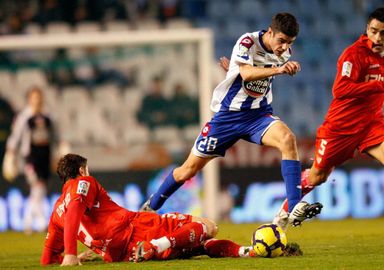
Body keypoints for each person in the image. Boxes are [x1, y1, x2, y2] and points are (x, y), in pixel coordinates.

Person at [140, 12, 322, 226]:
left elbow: (250, 75)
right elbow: (246, 74)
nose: (284, 47)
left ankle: (293, 207)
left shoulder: (283, 52)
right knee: (188, 170)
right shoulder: (247, 41)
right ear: (270, 32)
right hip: (227, 118)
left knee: (288, 140)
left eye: (289, 43)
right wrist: (277, 69)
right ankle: (150, 208)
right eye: (281, 41)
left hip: (258, 116)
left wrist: (233, 70)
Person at [273, 7, 384, 244]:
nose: (378, 38)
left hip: (371, 122)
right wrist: (380, 87)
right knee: (318, 176)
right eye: (373, 31)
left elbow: (381, 82)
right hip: (341, 127)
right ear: (366, 30)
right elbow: (340, 90)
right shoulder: (353, 55)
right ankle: (283, 212)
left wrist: (379, 102)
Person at [41, 153, 259, 266]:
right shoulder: (84, 182)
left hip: (124, 255)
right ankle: (157, 245)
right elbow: (76, 208)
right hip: (137, 229)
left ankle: (246, 251)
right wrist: (70, 254)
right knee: (208, 226)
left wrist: (67, 257)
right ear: (81, 170)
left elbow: (47, 259)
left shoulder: (57, 210)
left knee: (197, 245)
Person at [3, 86, 60, 234]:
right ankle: (39, 222)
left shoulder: (48, 116)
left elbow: (55, 136)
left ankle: (28, 221)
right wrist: (10, 154)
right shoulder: (24, 117)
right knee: (37, 186)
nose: (37, 100)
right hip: (30, 157)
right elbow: (15, 136)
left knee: (40, 188)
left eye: (39, 97)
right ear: (29, 99)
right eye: (34, 97)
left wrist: (57, 153)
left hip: (45, 156)